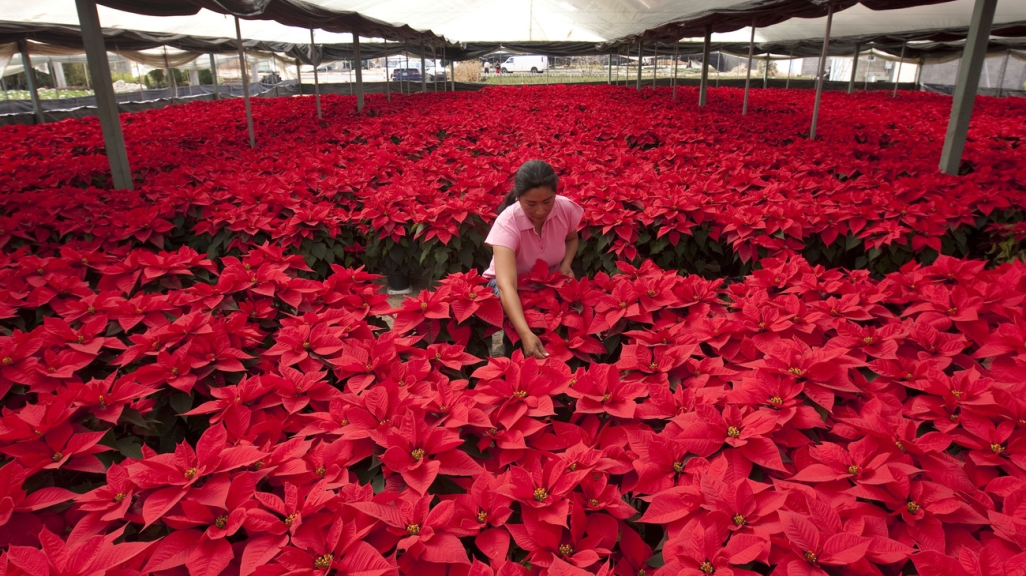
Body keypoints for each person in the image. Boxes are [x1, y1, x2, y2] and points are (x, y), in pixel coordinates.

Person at [483, 160, 583, 360]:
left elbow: (572, 239)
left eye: (547, 201)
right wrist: (525, 333)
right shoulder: (507, 223)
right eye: (531, 204)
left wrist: (566, 264)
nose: (540, 211)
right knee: (524, 326)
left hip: (547, 279)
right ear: (518, 198)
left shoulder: (565, 208)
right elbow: (506, 286)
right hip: (511, 285)